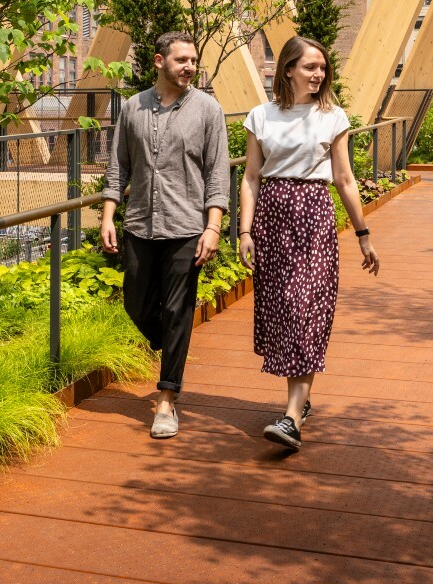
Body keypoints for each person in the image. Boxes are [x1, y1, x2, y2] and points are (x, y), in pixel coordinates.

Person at [239, 35, 380, 453]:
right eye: (310, 67)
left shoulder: (333, 117)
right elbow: (250, 177)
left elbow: (345, 179)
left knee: (305, 310)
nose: (318, 74)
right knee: (284, 309)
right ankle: (301, 399)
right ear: (288, 70)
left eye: (322, 68)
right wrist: (244, 231)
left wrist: (363, 235)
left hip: (314, 217)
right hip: (272, 217)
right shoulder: (260, 116)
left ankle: (292, 418)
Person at [100, 31, 228, 439]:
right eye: (182, 60)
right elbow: (118, 166)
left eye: (194, 60)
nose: (190, 66)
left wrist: (213, 226)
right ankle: (174, 344)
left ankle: (167, 398)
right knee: (135, 304)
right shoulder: (133, 108)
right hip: (139, 223)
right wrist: (108, 216)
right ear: (159, 62)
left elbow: (217, 173)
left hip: (187, 226)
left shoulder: (208, 110)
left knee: (177, 311)